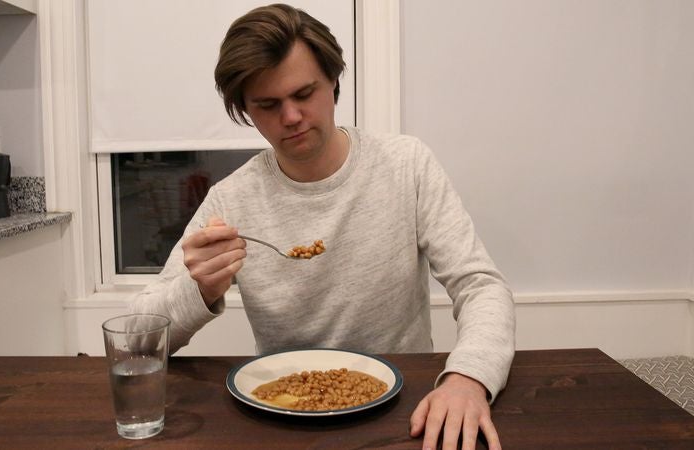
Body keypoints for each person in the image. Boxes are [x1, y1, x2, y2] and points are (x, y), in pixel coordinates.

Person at [130, 3, 515, 449]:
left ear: (334, 82)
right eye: (268, 105)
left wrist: (468, 378)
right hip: (281, 417)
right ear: (245, 110)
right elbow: (138, 338)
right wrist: (199, 289)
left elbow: (481, 285)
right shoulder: (230, 200)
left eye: (304, 93)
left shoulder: (407, 164)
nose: (291, 117)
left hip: (404, 410)